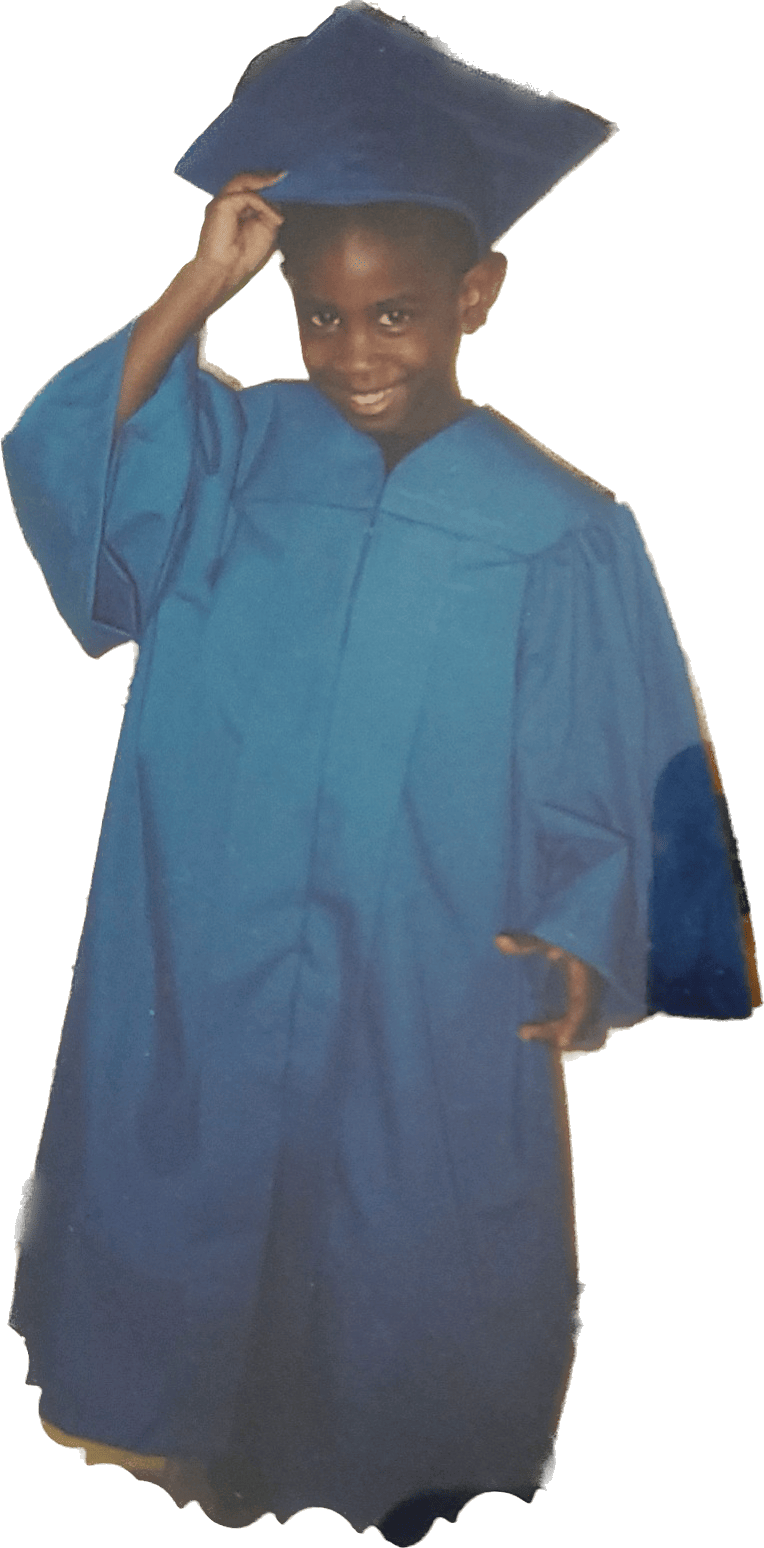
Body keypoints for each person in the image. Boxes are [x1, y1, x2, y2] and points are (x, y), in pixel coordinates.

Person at [3, 5, 758, 1543]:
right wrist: (196, 287)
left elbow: (631, 762)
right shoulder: (227, 457)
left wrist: (591, 939)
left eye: (398, 313)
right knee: (189, 1216)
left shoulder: (564, 527)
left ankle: (382, 1466)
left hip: (423, 974)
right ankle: (182, 1440)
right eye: (321, 316)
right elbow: (71, 475)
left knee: (400, 1245)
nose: (357, 353)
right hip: (206, 950)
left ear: (478, 293)